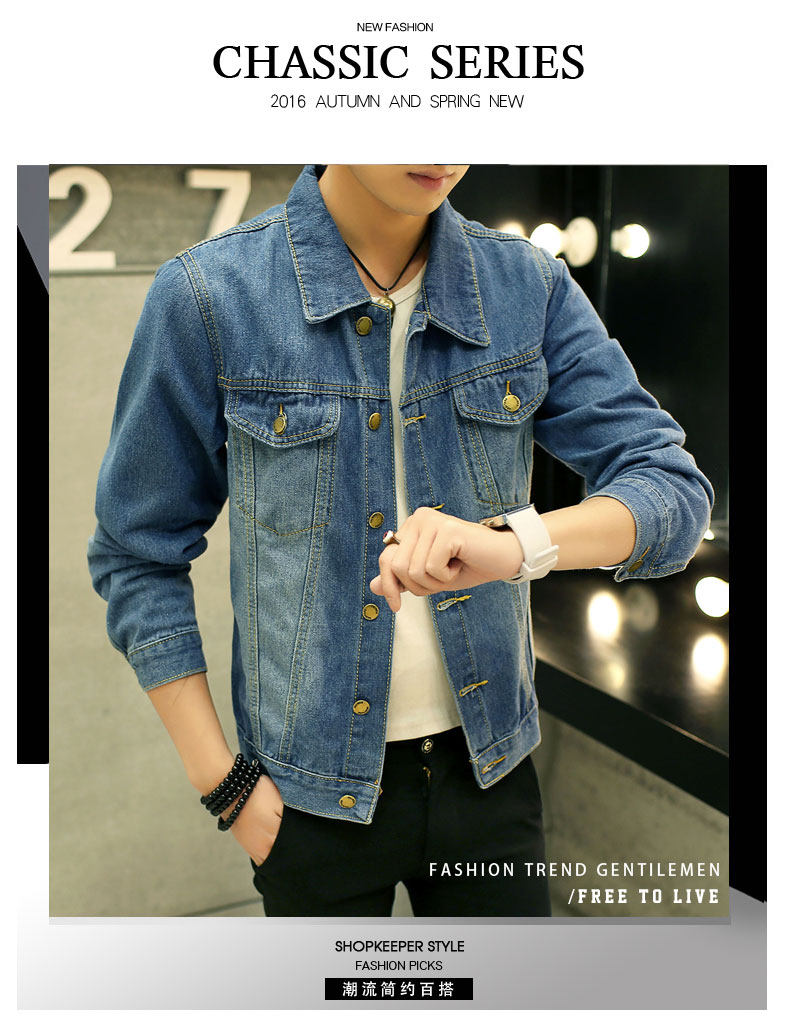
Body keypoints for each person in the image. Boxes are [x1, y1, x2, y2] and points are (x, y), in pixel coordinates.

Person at [87, 164, 713, 917]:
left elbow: (671, 488)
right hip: (307, 802)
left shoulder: (526, 286)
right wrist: (224, 785)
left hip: (489, 778)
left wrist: (514, 543)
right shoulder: (211, 295)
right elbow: (136, 552)